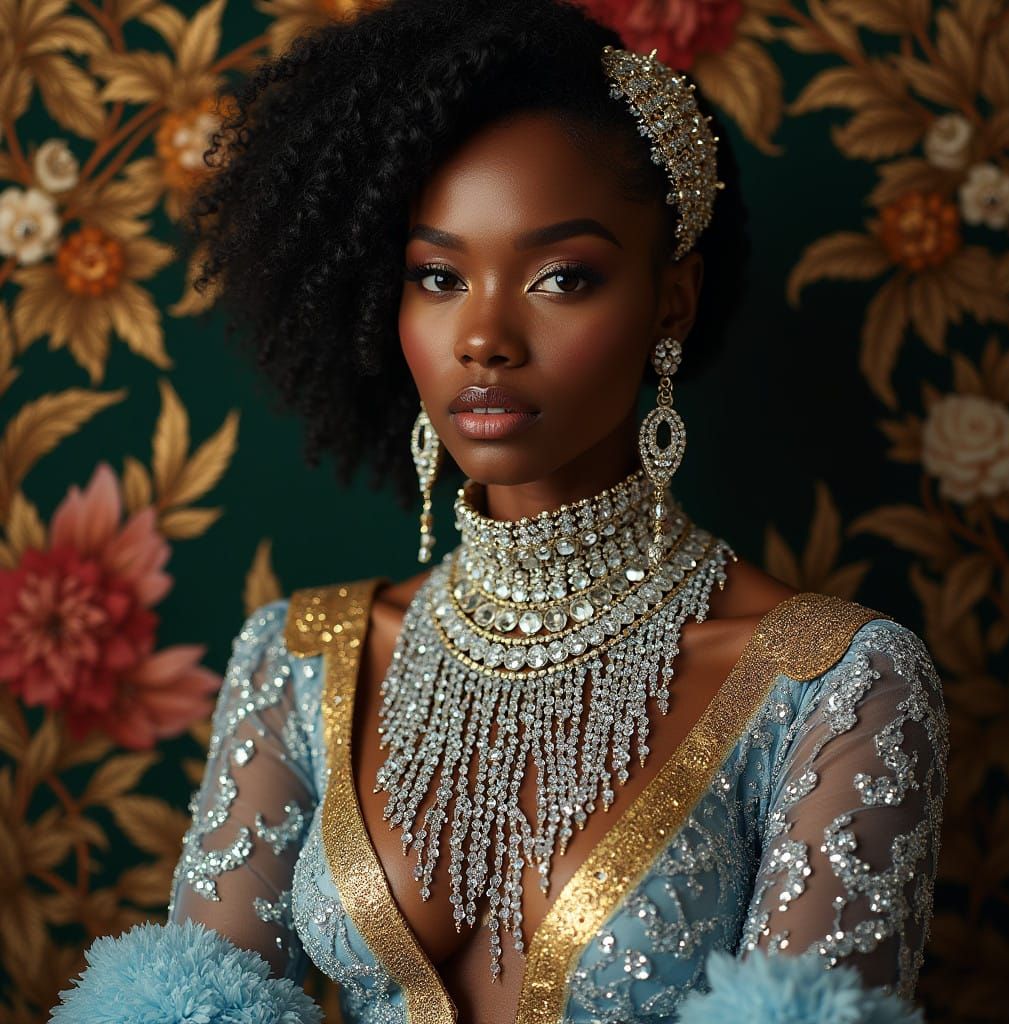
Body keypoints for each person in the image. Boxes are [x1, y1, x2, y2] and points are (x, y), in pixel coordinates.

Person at [51, 1, 948, 1022]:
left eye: (561, 276)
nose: (482, 335)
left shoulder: (835, 685)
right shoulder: (298, 660)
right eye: (437, 276)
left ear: (673, 300)